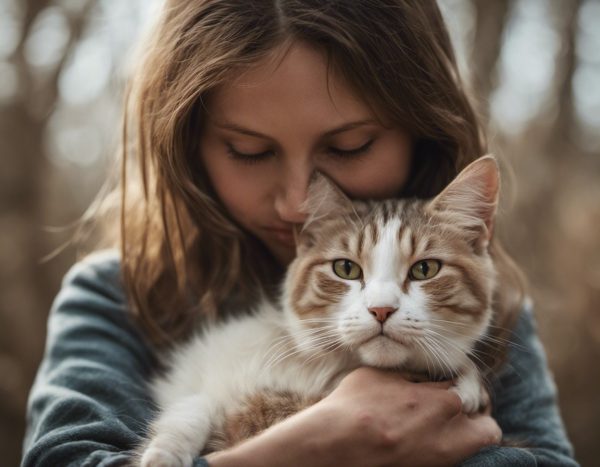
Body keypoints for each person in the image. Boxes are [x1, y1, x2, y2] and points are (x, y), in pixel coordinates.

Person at [22, 1, 578, 466]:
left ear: (420, 126)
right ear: (190, 145)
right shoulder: (113, 296)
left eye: (349, 146)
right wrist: (310, 444)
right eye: (250, 151)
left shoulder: (494, 309)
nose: (295, 203)